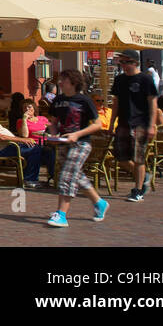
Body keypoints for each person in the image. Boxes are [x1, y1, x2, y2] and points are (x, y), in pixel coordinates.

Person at [46, 68, 108, 227]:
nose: (59, 82)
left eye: (63, 80)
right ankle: (99, 202)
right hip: (63, 142)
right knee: (76, 175)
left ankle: (61, 214)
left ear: (73, 82)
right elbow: (53, 122)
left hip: (81, 143)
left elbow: (97, 125)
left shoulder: (84, 101)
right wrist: (53, 135)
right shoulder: (57, 100)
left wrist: (77, 134)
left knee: (67, 175)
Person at [0, 94, 51, 188]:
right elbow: (0, 137)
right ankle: (30, 180)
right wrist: (22, 140)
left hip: (7, 146)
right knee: (35, 149)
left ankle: (51, 177)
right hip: (1, 149)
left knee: (46, 150)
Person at [109, 49, 157, 202]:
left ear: (135, 62)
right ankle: (144, 177)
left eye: (126, 61)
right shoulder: (119, 80)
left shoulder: (145, 79)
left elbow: (152, 103)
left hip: (140, 123)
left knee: (138, 159)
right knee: (121, 157)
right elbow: (115, 103)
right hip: (123, 122)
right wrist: (111, 123)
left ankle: (137, 190)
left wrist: (151, 125)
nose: (123, 65)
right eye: (121, 62)